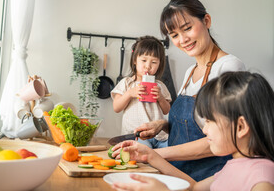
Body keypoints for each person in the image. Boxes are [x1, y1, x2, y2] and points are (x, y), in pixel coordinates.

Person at [112, 0, 246, 181]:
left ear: (206, 21)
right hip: (178, 174)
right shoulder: (191, 71)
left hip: (208, 177)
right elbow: (188, 124)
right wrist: (161, 124)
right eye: (174, 35)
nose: (182, 40)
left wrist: (157, 154)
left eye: (187, 28)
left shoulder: (229, 67)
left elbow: (225, 138)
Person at [111, 72, 274, 191]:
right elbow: (194, 187)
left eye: (210, 121)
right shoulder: (234, 165)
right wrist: (150, 155)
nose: (204, 129)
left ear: (240, 127)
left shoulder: (262, 179)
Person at [111, 36, 171, 148]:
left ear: (160, 64)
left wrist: (160, 98)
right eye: (143, 60)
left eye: (154, 62)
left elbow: (167, 110)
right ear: (135, 60)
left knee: (170, 154)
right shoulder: (127, 83)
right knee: (143, 154)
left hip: (160, 136)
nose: (148, 66)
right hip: (136, 135)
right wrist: (129, 94)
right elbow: (116, 107)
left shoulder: (160, 86)